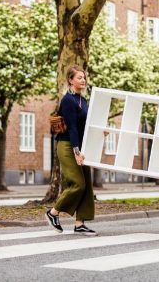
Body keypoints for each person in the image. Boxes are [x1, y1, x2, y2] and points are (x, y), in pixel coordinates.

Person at [45, 66, 97, 236]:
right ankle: (53, 213)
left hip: (80, 147)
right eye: (79, 77)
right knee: (77, 183)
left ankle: (80, 223)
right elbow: (73, 128)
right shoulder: (68, 100)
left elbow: (85, 125)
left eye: (84, 77)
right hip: (68, 146)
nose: (83, 80)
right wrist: (76, 151)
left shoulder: (83, 101)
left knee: (86, 185)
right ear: (70, 80)